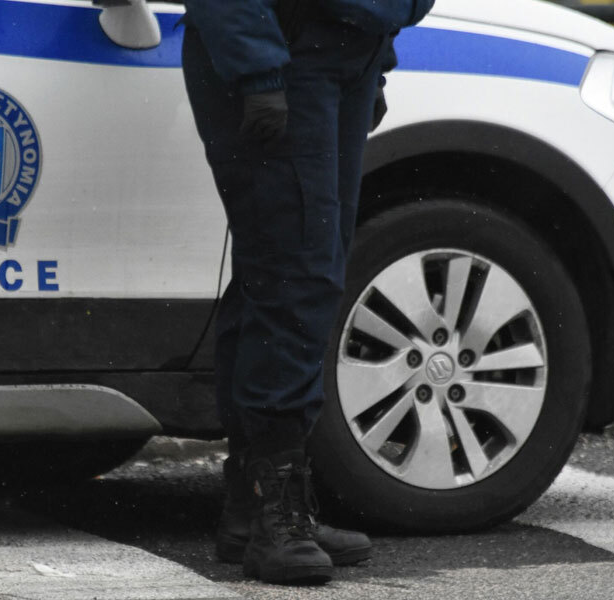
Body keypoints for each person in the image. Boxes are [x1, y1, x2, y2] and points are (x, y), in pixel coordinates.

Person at [180, 0, 428, 585]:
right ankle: (277, 517)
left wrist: (377, 54)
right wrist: (257, 70)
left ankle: (253, 508)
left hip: (341, 53)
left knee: (286, 274)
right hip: (285, 53)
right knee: (295, 275)